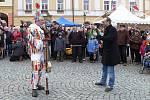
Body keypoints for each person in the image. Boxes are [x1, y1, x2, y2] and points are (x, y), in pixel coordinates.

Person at [95, 17, 120, 92]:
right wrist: (101, 42)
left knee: (110, 70)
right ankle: (103, 81)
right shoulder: (106, 29)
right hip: (106, 52)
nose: (102, 23)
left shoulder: (113, 29)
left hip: (111, 53)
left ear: (108, 22)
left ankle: (110, 85)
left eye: (104, 21)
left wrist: (100, 37)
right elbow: (106, 40)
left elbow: (110, 38)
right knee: (104, 68)